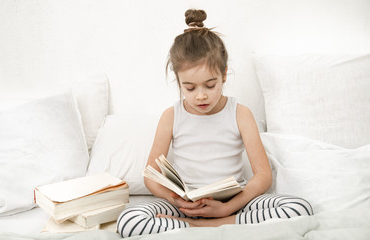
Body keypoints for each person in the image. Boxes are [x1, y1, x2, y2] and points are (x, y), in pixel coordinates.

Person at [117, 9, 313, 238]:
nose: (200, 96)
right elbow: (150, 175)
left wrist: (227, 208)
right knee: (130, 220)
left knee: (299, 209)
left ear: (224, 75)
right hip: (183, 207)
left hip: (232, 204)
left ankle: (210, 224)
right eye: (189, 88)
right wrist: (176, 201)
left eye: (210, 85)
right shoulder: (171, 116)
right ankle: (216, 224)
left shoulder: (240, 114)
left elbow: (263, 176)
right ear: (178, 81)